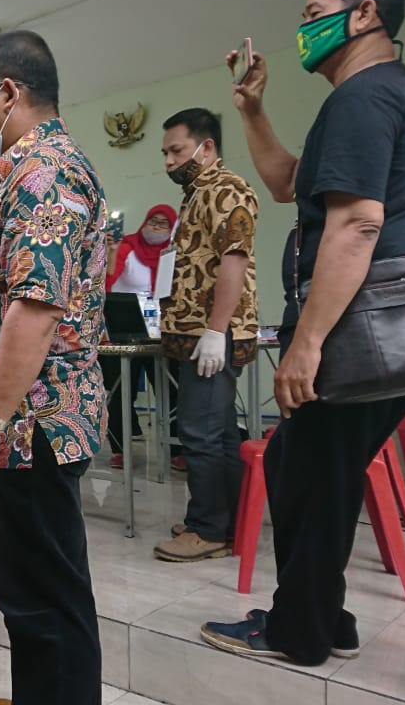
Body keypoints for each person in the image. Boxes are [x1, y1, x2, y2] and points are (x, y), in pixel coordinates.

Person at [201, 0, 405, 666]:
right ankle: (325, 618)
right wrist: (252, 110)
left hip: (354, 330)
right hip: (364, 329)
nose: (303, 29)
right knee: (311, 471)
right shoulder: (370, 98)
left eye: (312, 14)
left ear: (365, 14)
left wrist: (306, 344)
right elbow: (287, 183)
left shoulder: (364, 97)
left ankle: (301, 632)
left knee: (309, 474)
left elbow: (357, 224)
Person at [0, 31, 106, 705]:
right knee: (27, 595)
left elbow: (34, 312)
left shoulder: (46, 174)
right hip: (13, 428)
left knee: (46, 601)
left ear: (8, 93)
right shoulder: (21, 173)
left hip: (26, 427)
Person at [152, 108, 260, 564]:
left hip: (213, 336)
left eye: (177, 150)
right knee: (218, 435)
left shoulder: (228, 190)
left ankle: (208, 529)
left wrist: (216, 331)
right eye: (165, 153)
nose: (169, 162)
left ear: (207, 146)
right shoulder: (197, 194)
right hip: (195, 334)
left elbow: (233, 263)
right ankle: (227, 519)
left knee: (201, 433)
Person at [100, 205, 183, 471]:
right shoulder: (126, 247)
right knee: (118, 390)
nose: (156, 228)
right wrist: (111, 251)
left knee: (171, 389)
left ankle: (177, 449)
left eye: (163, 224)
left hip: (161, 332)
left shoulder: (173, 254)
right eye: (152, 221)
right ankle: (120, 449)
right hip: (123, 329)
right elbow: (108, 278)